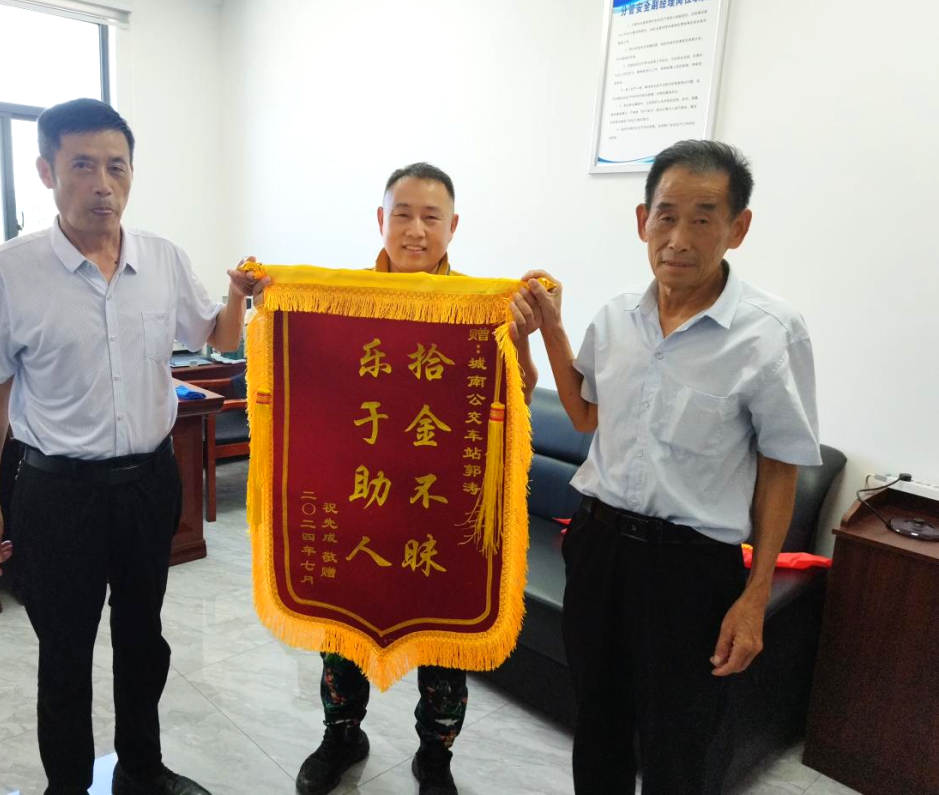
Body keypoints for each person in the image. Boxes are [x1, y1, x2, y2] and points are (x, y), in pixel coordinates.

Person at [0, 98, 262, 795]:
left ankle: (141, 770)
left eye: (116, 167)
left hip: (148, 482)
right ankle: (67, 786)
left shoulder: (162, 258)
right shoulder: (11, 269)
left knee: (142, 638)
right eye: (82, 166)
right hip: (56, 492)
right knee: (64, 651)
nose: (103, 184)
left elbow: (219, 338)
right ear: (47, 171)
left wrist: (237, 295)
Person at [519, 140, 821, 794]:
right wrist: (550, 329)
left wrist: (755, 598)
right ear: (642, 221)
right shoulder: (616, 317)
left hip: (691, 571)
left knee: (678, 746)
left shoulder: (771, 333)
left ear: (738, 227)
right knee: (596, 725)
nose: (679, 238)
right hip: (598, 548)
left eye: (704, 218)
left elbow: (780, 469)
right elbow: (585, 415)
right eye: (666, 215)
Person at [294, 162, 539, 795]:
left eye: (432, 217)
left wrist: (525, 337)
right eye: (402, 214)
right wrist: (267, 302)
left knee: (443, 641)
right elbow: (308, 381)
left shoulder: (483, 307)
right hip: (363, 500)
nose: (415, 230)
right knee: (345, 632)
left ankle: (435, 756)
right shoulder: (341, 303)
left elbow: (519, 394)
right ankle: (341, 735)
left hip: (441, 507)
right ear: (381, 220)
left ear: (453, 227)